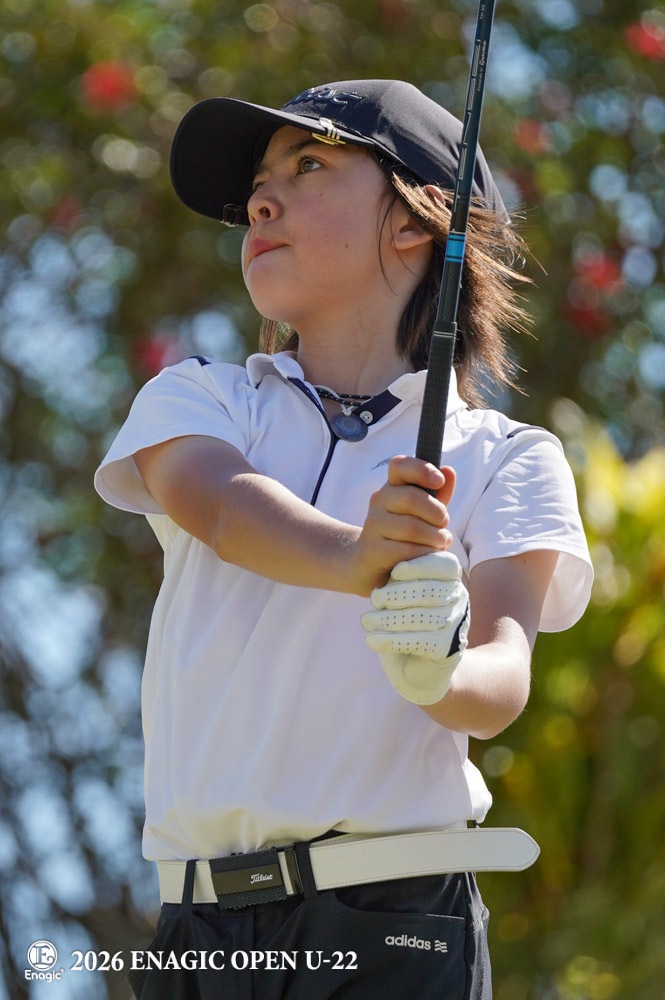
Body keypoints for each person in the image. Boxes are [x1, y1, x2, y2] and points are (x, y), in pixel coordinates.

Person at [95, 79, 593, 1000]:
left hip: (396, 923)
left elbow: (499, 682)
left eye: (309, 165)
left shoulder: (508, 456)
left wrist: (438, 673)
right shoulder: (202, 396)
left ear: (414, 222)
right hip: (196, 933)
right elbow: (220, 507)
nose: (260, 201)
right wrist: (353, 559)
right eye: (257, 185)